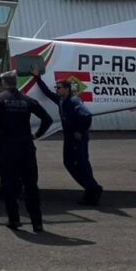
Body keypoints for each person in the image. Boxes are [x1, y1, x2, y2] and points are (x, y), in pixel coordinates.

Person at [0, 71, 53, 232]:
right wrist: (36, 135)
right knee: (31, 185)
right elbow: (47, 119)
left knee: (9, 185)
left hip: (7, 148)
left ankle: (14, 220)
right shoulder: (27, 100)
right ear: (15, 82)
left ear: (3, 83)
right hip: (26, 147)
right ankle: (37, 222)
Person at [32, 67, 102, 205]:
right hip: (69, 138)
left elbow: (87, 115)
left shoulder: (74, 101)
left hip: (77, 139)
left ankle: (93, 189)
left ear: (67, 89)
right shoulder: (61, 100)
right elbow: (47, 93)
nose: (57, 90)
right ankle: (91, 189)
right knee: (73, 163)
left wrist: (79, 131)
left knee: (78, 164)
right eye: (56, 87)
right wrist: (37, 78)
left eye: (59, 88)